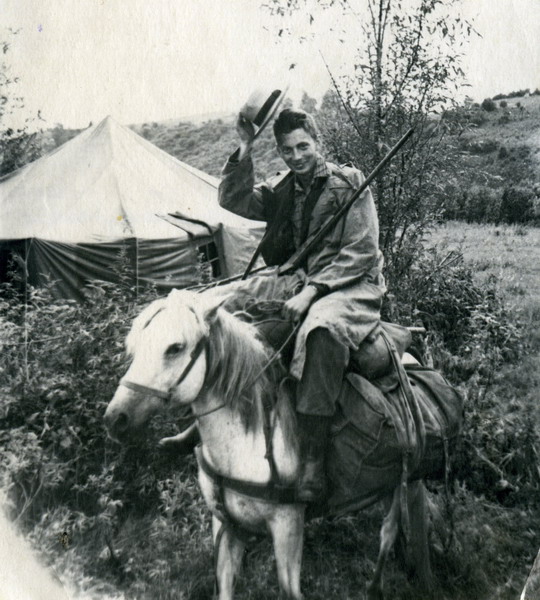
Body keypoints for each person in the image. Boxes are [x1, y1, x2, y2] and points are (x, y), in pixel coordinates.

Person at [215, 108, 386, 503]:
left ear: (317, 142)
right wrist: (245, 146)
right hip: (298, 280)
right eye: (287, 150)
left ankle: (312, 458)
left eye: (303, 146)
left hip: (351, 284)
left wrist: (314, 292)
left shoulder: (349, 183)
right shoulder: (281, 189)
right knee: (228, 305)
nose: (296, 156)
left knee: (321, 330)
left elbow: (362, 251)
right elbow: (232, 199)